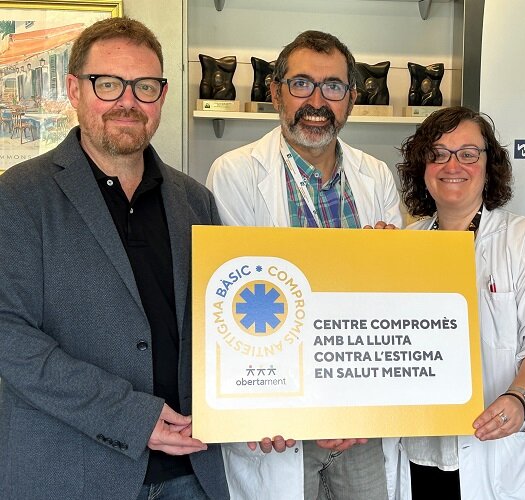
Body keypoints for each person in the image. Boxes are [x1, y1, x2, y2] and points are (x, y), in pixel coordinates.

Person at [0, 17, 228, 500]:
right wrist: (130, 416)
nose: (128, 101)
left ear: (162, 96)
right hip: (70, 473)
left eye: (144, 86)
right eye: (108, 84)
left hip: (193, 474)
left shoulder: (196, 202)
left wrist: (263, 407)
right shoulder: (17, 197)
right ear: (74, 90)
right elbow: (8, 336)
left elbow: (224, 328)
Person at [206, 30, 401, 500]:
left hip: (360, 417)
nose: (317, 101)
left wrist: (391, 263)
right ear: (275, 92)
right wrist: (266, 408)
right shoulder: (234, 173)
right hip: (280, 420)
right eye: (301, 84)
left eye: (332, 86)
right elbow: (232, 305)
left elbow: (391, 304)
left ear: (352, 98)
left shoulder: (376, 176)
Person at [394, 106, 525, 499]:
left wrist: (520, 397)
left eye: (468, 153)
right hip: (421, 448)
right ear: (422, 168)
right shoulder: (403, 244)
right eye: (438, 154)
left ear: (488, 166)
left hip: (500, 452)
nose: (452, 165)